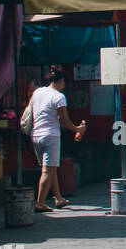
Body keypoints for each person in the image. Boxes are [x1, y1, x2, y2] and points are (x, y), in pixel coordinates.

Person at [29, 66, 86, 213]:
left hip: (36, 135)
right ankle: (40, 202)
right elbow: (65, 122)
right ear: (60, 81)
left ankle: (58, 198)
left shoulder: (37, 92)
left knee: (50, 168)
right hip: (51, 136)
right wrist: (78, 129)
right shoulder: (59, 97)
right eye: (64, 83)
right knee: (48, 171)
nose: (64, 86)